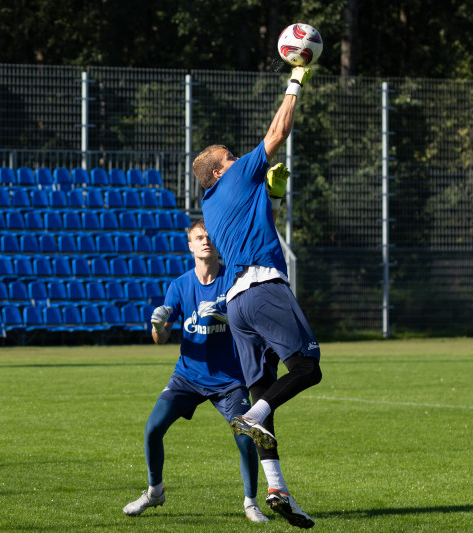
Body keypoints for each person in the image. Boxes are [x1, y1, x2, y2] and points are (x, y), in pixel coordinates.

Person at [193, 66, 322, 529]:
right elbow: (278, 130)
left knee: (262, 388)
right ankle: (253, 415)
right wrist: (297, 77)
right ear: (218, 168)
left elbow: (247, 211)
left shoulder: (210, 202)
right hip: (264, 286)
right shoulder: (235, 173)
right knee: (307, 368)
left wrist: (269, 191)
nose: (239, 156)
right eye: (230, 156)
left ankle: (277, 487)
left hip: (237, 303)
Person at [122, 219, 269, 523]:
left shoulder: (234, 280)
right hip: (187, 376)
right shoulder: (179, 285)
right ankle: (154, 491)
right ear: (189, 245)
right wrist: (157, 325)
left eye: (209, 237)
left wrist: (226, 317)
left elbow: (254, 325)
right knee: (152, 429)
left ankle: (251, 502)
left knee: (245, 436)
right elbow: (160, 339)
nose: (205, 241)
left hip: (230, 380)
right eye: (199, 238)